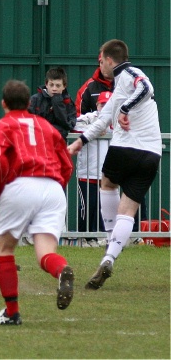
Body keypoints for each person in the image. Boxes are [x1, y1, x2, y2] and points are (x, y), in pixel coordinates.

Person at [68, 39, 162, 290]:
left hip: (126, 147)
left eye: (101, 61)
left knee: (107, 184)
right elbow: (101, 120)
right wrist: (81, 141)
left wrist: (125, 110)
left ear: (110, 60)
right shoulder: (120, 85)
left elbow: (146, 87)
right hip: (152, 154)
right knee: (128, 209)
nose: (100, 65)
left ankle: (110, 240)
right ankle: (109, 258)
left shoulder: (130, 73)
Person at [0, 79, 75, 325]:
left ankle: (12, 312)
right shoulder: (46, 126)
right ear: (29, 103)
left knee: (5, 249)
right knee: (45, 253)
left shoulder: (1, 126)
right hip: (53, 188)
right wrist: (57, 188)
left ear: (4, 104)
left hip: (21, 184)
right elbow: (66, 163)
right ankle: (61, 270)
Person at [73, 91, 113, 247]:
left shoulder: (117, 120)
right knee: (87, 207)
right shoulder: (89, 118)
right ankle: (85, 238)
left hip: (107, 174)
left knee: (105, 208)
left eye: (107, 105)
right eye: (102, 104)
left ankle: (104, 237)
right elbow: (74, 126)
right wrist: (93, 130)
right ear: (97, 105)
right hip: (87, 172)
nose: (104, 107)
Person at [27, 67, 77, 138]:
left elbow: (69, 125)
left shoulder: (68, 102)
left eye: (58, 85)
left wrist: (57, 103)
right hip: (38, 142)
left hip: (58, 144)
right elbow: (28, 123)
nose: (54, 89)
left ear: (64, 86)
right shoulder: (35, 100)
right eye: (51, 85)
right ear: (46, 84)